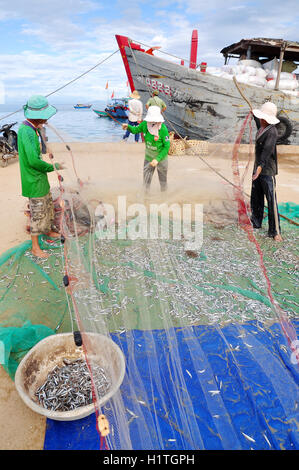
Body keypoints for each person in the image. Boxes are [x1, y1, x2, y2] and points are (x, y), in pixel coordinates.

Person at [18, 94, 66, 258]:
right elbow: (32, 160)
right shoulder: (26, 132)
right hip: (33, 179)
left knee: (47, 206)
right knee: (38, 211)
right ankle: (35, 247)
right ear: (37, 116)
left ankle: (49, 231)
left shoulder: (33, 129)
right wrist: (53, 166)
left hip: (40, 178)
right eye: (45, 117)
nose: (47, 120)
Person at [250, 101, 282, 242]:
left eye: (263, 118)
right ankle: (256, 222)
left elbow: (267, 151)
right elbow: (258, 124)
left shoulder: (272, 132)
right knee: (256, 196)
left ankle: (275, 231)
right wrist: (254, 115)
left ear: (268, 120)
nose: (261, 120)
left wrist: (259, 168)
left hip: (267, 170)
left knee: (271, 200)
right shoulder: (262, 127)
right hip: (258, 167)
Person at [122, 105, 170, 192]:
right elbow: (135, 130)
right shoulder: (145, 124)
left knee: (163, 182)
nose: (153, 122)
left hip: (161, 159)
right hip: (148, 158)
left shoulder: (163, 129)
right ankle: (146, 199)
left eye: (155, 120)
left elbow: (167, 147)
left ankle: (164, 198)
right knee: (146, 183)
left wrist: (157, 159)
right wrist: (128, 127)